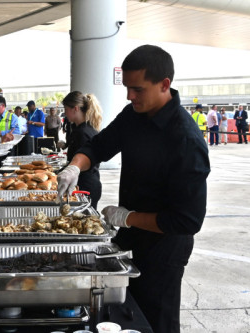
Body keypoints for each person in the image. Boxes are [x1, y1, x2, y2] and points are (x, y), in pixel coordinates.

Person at [56, 45, 210, 333]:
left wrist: (127, 217)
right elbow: (99, 146)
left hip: (165, 246)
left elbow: (186, 220)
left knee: (156, 319)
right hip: (132, 238)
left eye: (137, 89)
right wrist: (74, 166)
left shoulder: (185, 140)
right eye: (127, 88)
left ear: (165, 84)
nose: (130, 96)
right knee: (129, 314)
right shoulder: (133, 115)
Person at [62, 91, 103, 209]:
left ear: (75, 108)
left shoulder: (83, 132)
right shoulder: (81, 129)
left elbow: (86, 163)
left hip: (85, 185)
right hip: (86, 183)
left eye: (65, 109)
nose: (65, 113)